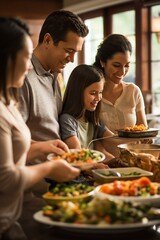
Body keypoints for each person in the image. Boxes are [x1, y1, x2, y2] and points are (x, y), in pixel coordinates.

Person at [0, 17, 80, 240]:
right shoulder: (21, 86)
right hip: (21, 206)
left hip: (15, 215)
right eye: (26, 56)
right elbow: (6, 178)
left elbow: (14, 145)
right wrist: (49, 169)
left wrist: (45, 147)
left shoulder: (53, 76)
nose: (28, 65)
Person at [19, 10, 89, 141]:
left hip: (60, 159)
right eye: (69, 51)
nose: (72, 59)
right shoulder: (22, 77)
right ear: (47, 40)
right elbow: (14, 139)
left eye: (76, 52)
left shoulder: (55, 74)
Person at [93, 34, 147, 134]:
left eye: (126, 65)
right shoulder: (92, 94)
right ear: (103, 62)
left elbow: (143, 130)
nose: (122, 72)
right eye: (116, 65)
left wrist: (147, 139)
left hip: (134, 150)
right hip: (100, 150)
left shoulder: (133, 91)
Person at [59, 64, 115, 161]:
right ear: (78, 92)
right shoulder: (67, 120)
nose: (98, 98)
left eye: (100, 92)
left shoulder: (93, 119)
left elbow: (113, 140)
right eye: (93, 93)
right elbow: (78, 154)